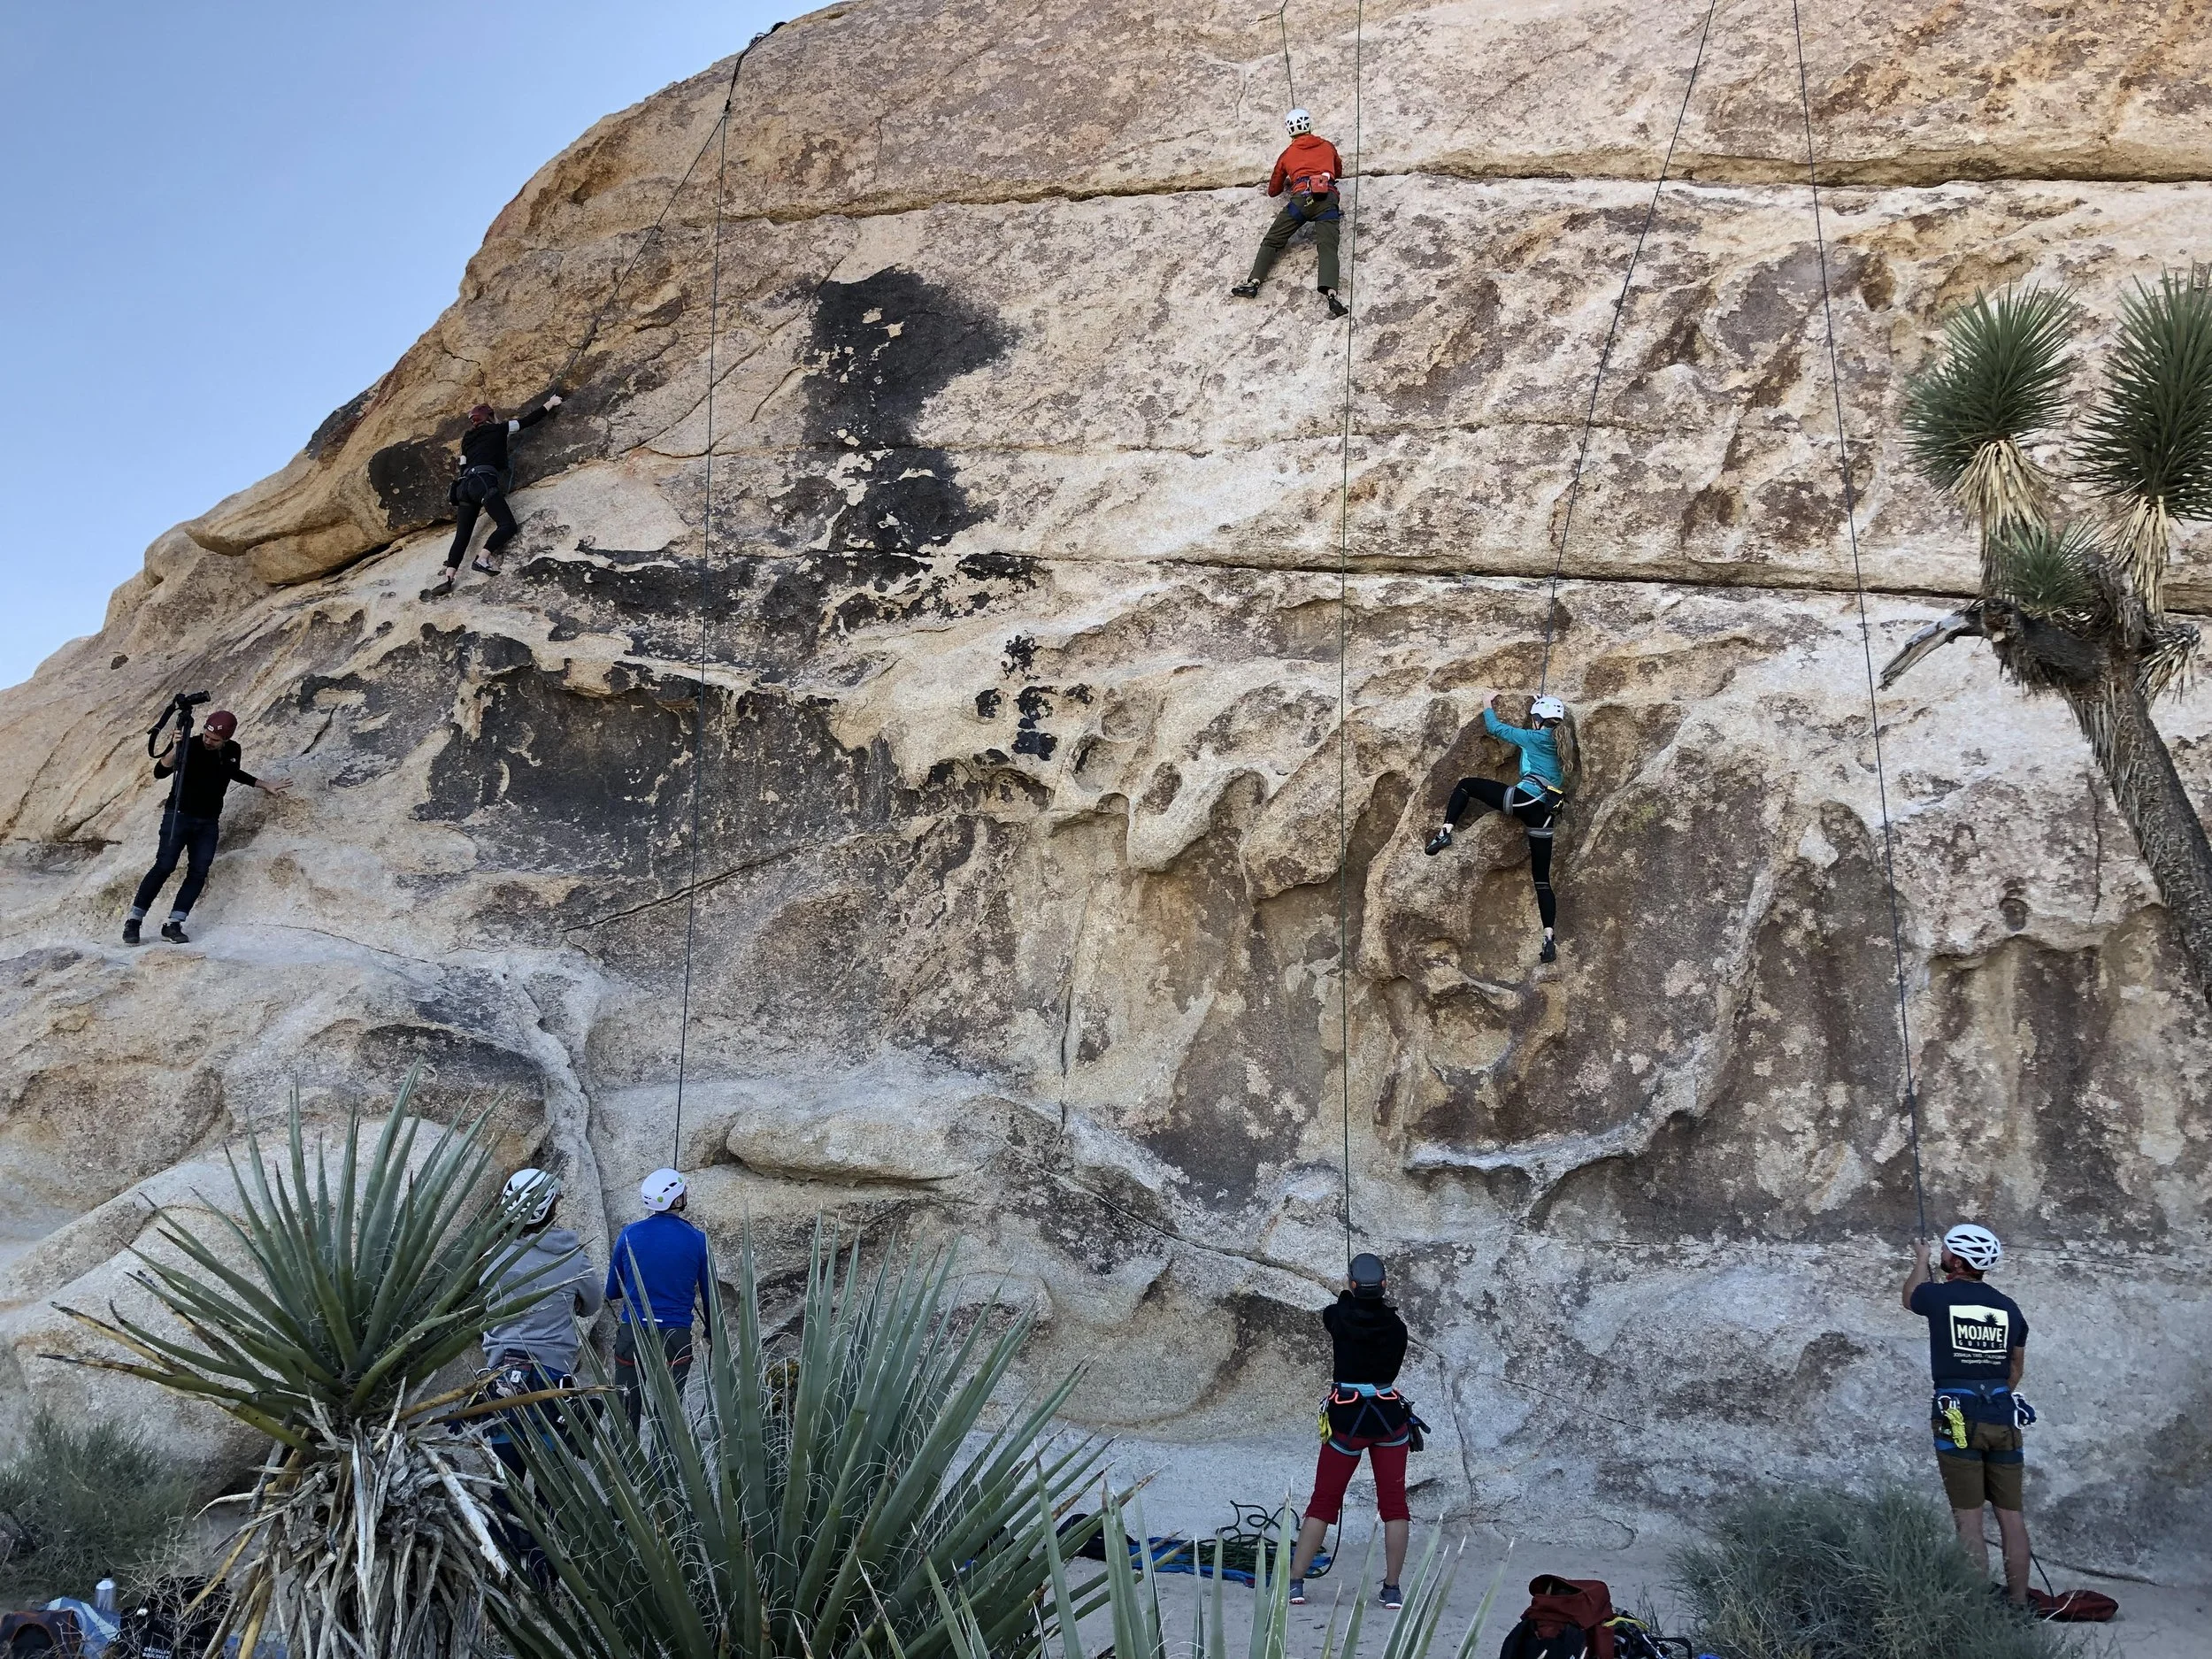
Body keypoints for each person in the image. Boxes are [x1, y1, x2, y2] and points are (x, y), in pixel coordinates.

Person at [1903, 1224, 2034, 1606]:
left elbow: (1909, 1297)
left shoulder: (1939, 1297)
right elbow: (2015, 1369)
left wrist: (1920, 1260)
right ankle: (2020, 1603)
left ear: (1956, 1261)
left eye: (1946, 1250)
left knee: (1969, 1520)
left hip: (1957, 1415)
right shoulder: (2010, 1308)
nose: (1942, 1254)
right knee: (2011, 1516)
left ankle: (1974, 1606)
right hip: (2002, 1414)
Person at [1285, 1253, 1413, 1611]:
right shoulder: (1397, 1328)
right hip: (1389, 1420)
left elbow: (1337, 1310)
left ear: (1352, 1285)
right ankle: (1391, 1589)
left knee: (1324, 1501)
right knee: (1394, 1505)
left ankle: (1295, 1583)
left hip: (1347, 1419)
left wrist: (1348, 1295)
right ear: (1384, 1285)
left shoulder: (1337, 1317)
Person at [1423, 693, 1570, 963]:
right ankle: (1549, 939)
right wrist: (1538, 707)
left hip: (1524, 800)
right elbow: (1534, 749)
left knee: (1466, 784)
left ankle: (1445, 833)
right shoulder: (1563, 746)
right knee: (1542, 881)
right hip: (1546, 815)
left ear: (1538, 721)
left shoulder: (1534, 736)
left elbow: (1496, 729)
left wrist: (1487, 704)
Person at [124, 709, 288, 946]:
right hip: (179, 815)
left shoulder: (232, 750)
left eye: (215, 740)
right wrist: (175, 747)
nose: (208, 742)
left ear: (226, 740)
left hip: (209, 820)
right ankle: (134, 921)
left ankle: (173, 924)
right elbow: (160, 772)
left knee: (199, 871)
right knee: (164, 865)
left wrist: (264, 784)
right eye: (207, 736)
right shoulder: (189, 744)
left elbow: (234, 773)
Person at [604, 1166, 713, 1428]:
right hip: (675, 1333)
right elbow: (710, 1295)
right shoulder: (697, 1240)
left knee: (626, 1406)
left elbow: (612, 1291)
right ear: (677, 1200)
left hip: (633, 1332)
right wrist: (711, 1330)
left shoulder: (629, 1234)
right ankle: (662, 1465)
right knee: (667, 1413)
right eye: (683, 1191)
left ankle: (623, 1462)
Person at [426, 393, 563, 598]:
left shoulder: (467, 438)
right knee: (507, 525)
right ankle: (482, 559)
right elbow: (527, 421)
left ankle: (448, 577)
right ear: (489, 417)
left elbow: (462, 464)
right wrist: (551, 403)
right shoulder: (498, 429)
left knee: (462, 535)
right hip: (483, 482)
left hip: (464, 487)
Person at [1229, 110, 1350, 317]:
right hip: (1327, 199)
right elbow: (1338, 172)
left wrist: (1292, 179)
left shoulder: (1288, 155)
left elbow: (1273, 190)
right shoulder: (1327, 146)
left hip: (1301, 200)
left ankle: (1254, 283)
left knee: (1272, 240)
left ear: (1289, 130)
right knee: (1328, 248)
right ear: (1310, 124)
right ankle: (1331, 295)